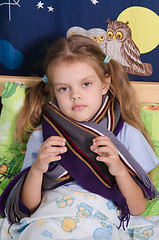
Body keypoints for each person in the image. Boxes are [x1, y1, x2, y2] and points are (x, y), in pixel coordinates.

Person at [0, 35, 159, 239]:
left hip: (101, 221)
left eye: (86, 84)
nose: (75, 95)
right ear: (54, 93)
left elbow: (137, 209)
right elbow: (29, 207)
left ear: (104, 84)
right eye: (64, 88)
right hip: (49, 220)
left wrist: (119, 169)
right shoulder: (44, 136)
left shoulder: (125, 134)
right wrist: (38, 169)